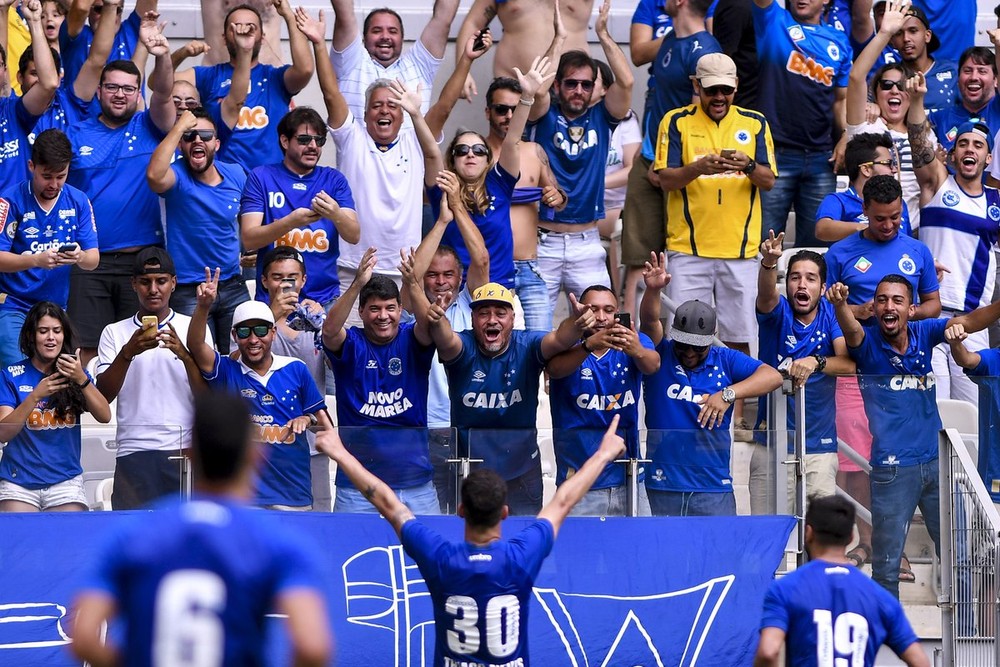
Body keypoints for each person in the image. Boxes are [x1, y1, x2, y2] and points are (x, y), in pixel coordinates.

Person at [315, 408, 624, 667]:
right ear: (505, 513)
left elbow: (388, 503)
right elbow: (563, 501)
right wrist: (603, 454)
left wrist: (340, 453)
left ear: (461, 510)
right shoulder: (520, 556)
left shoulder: (440, 558)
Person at [69, 392, 333, 667]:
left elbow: (84, 635)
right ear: (256, 454)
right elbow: (312, 648)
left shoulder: (132, 534)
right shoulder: (277, 542)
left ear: (190, 452)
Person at [829, 274, 1000, 598]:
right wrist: (841, 306)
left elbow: (968, 321)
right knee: (887, 567)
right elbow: (851, 330)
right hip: (892, 470)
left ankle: (964, 627)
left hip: (937, 464)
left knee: (960, 559)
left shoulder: (924, 331)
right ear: (874, 307)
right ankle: (888, 629)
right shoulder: (867, 343)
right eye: (882, 300)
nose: (888, 306)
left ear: (911, 309)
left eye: (897, 300)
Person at [654, 52, 777, 432]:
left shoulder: (754, 122)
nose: (719, 96)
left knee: (739, 334)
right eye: (711, 90)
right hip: (688, 248)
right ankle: (680, 412)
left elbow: (769, 181)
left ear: (736, 86)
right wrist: (697, 168)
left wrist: (747, 165)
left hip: (740, 251)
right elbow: (664, 179)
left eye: (725, 89)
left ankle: (734, 418)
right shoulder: (676, 120)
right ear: (697, 86)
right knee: (682, 333)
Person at [302, 9, 433, 321]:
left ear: (402, 115)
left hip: (406, 273)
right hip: (353, 270)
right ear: (365, 113)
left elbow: (444, 106)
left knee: (403, 350)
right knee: (347, 347)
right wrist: (319, 44)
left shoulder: (414, 140)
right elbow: (331, 93)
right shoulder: (352, 137)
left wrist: (465, 61)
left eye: (392, 105)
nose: (384, 110)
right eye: (376, 105)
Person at [423, 281, 595, 515]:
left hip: (522, 473)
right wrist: (437, 320)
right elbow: (445, 339)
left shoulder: (528, 344)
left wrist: (576, 323)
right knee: (471, 536)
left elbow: (560, 339)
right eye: (483, 313)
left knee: (523, 534)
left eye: (500, 313)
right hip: (469, 472)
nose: (492, 320)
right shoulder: (463, 345)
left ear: (512, 319)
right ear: (472, 319)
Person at [65, 17, 177, 367]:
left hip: (141, 262)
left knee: (146, 347)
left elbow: (163, 93)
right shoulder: (76, 133)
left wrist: (162, 55)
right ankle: (92, 404)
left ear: (138, 94)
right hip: (90, 260)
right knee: (87, 350)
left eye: (129, 89)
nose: (119, 94)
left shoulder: (151, 125)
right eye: (112, 87)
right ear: (99, 91)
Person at [639, 260, 783, 516]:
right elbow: (650, 321)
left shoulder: (724, 358)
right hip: (663, 483)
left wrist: (728, 395)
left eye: (698, 347)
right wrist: (653, 290)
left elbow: (772, 376)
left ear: (712, 338)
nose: (689, 352)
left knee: (720, 545)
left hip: (713, 486)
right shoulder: (662, 353)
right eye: (683, 344)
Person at [188, 272, 332, 510]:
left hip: (293, 494)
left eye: (261, 331)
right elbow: (195, 344)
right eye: (244, 332)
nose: (253, 339)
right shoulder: (227, 369)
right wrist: (203, 306)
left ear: (273, 333)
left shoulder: (295, 369)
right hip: (244, 499)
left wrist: (308, 419)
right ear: (234, 336)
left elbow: (325, 426)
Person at [527, 0, 634, 317]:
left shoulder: (603, 116)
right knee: (535, 331)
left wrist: (602, 34)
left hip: (586, 243)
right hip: (542, 242)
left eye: (586, 84)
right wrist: (559, 39)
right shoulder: (542, 113)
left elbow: (627, 82)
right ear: (558, 85)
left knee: (598, 326)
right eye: (571, 83)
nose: (578, 90)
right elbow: (537, 88)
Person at [620, 0, 720, 317]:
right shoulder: (669, 39)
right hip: (648, 158)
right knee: (638, 255)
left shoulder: (706, 50)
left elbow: (698, 119)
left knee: (676, 256)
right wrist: (650, 151)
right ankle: (627, 330)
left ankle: (672, 333)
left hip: (676, 167)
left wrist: (665, 163)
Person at [321, 247, 438, 515]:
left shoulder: (411, 338)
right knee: (351, 544)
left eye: (390, 308)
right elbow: (329, 331)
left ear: (400, 310)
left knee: (429, 543)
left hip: (415, 482)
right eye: (374, 309)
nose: (383, 316)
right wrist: (357, 283)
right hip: (357, 486)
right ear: (361, 311)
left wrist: (412, 283)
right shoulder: (352, 343)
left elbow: (430, 327)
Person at [754, 495, 929, 667]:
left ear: (808, 533)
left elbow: (768, 651)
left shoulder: (785, 588)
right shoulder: (879, 597)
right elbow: (920, 661)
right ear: (851, 537)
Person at [96, 247, 210, 510]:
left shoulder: (193, 328)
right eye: (145, 282)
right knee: (134, 534)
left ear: (174, 283)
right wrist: (127, 353)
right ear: (133, 284)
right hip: (133, 451)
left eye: (161, 281)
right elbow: (103, 396)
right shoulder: (114, 332)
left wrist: (185, 356)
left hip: (183, 450)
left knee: (183, 534)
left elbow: (208, 400)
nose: (153, 289)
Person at [429, 56, 553, 297]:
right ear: (452, 159)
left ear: (488, 160)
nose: (470, 154)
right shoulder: (443, 188)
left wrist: (527, 97)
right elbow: (429, 150)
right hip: (457, 292)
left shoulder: (499, 182)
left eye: (478, 150)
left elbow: (512, 141)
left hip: (509, 284)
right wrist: (415, 114)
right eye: (462, 150)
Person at [751, 233, 855, 514]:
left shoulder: (831, 315)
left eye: (810, 278)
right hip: (771, 446)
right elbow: (766, 295)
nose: (802, 284)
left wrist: (816, 362)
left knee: (820, 533)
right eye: (795, 277)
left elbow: (848, 364)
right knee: (769, 533)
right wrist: (769, 264)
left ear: (823, 287)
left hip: (819, 448)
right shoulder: (777, 312)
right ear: (786, 284)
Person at [909, 96, 1000, 405]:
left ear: (989, 158)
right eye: (963, 143)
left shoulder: (996, 202)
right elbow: (919, 143)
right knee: (934, 410)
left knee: (973, 414)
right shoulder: (937, 183)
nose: (970, 149)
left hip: (973, 321)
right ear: (952, 153)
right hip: (929, 316)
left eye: (978, 145)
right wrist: (917, 99)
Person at [547, 284, 659, 515]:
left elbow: (653, 365)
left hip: (629, 477)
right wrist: (588, 346)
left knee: (642, 539)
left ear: (617, 313)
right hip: (580, 482)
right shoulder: (565, 344)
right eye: (593, 309)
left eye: (608, 310)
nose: (600, 317)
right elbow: (554, 370)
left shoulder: (632, 342)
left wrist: (636, 350)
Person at [162, 0, 314, 171]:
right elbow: (158, 84)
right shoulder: (209, 75)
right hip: (224, 179)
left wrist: (289, 16)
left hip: (269, 180)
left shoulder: (275, 77)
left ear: (262, 37)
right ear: (224, 38)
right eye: (235, 27)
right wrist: (181, 53)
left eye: (251, 27)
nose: (243, 31)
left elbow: (305, 69)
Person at [147, 108, 250, 353]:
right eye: (189, 136)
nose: (197, 140)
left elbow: (248, 218)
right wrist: (178, 127)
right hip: (188, 289)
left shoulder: (236, 173)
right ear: (180, 145)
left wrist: (249, 249)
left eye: (205, 135)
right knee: (194, 361)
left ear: (217, 143)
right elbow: (154, 176)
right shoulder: (178, 175)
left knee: (242, 358)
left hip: (232, 284)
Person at [752, 0, 852, 247]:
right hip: (775, 155)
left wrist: (846, 135)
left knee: (815, 249)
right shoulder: (774, 19)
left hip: (821, 159)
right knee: (765, 244)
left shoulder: (839, 40)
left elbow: (841, 99)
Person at [240, 105, 360, 310]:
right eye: (304, 140)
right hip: (273, 300)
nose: (313, 146)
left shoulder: (334, 180)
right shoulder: (261, 177)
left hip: (324, 299)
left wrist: (335, 214)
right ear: (285, 141)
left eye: (319, 140)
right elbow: (249, 239)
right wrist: (291, 222)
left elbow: (354, 235)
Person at [0, 129, 98, 367]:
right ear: (31, 166)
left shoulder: (79, 201)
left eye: (61, 176)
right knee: (19, 374)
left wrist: (79, 256)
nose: (54, 184)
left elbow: (93, 260)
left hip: (55, 311)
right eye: (46, 176)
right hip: (15, 306)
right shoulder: (10, 200)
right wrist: (36, 260)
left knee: (57, 379)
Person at [0, 301, 110, 512]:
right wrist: (35, 396)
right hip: (18, 482)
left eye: (57, 331)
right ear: (31, 336)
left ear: (64, 335)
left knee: (68, 534)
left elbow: (105, 416)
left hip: (65, 481)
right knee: (18, 533)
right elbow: (3, 433)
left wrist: (81, 378)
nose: (51, 337)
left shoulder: (75, 372)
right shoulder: (10, 375)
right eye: (43, 331)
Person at [482, 74, 566, 331]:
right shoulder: (474, 153)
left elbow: (558, 196)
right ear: (488, 112)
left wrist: (557, 197)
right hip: (490, 266)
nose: (509, 116)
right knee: (491, 342)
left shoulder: (534, 151)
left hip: (530, 265)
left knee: (541, 342)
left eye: (515, 109)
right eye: (501, 109)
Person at [260, 245, 333, 511]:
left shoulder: (316, 319)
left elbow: (340, 367)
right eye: (277, 277)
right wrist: (271, 316)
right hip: (265, 447)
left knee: (320, 524)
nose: (285, 284)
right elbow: (235, 364)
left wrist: (326, 329)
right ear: (264, 281)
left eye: (292, 278)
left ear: (303, 280)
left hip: (312, 445)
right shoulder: (254, 317)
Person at [845, 1, 922, 231]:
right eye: (887, 85)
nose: (895, 90)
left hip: (911, 232)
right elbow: (856, 77)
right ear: (876, 93)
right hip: (868, 228)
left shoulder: (924, 131)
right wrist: (885, 33)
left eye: (902, 85)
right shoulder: (866, 127)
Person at [329, 0, 458, 124]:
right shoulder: (350, 62)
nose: (385, 36)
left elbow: (443, 19)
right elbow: (344, 15)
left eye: (392, 31)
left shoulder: (419, 65)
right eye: (376, 31)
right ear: (364, 37)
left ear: (402, 38)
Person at [455, 0, 593, 98]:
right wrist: (462, 72)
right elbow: (474, 22)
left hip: (574, 85)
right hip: (513, 81)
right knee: (510, 132)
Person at [0, 0, 57, 194]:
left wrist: (34, 21)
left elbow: (49, 83)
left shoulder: (12, 112)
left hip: (17, 213)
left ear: (5, 71)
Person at [815, 132, 911, 242]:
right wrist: (867, 229)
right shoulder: (838, 200)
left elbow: (909, 243)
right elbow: (822, 229)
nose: (894, 170)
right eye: (888, 163)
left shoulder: (898, 202)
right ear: (866, 169)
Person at [926, 44, 1000, 153]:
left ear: (996, 79)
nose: (974, 77)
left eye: (982, 71)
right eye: (967, 71)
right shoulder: (938, 119)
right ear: (958, 78)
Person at [890, 4, 956, 115]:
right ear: (892, 41)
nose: (906, 38)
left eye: (913, 31)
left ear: (927, 36)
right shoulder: (888, 78)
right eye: (899, 33)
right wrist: (872, 107)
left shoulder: (954, 71)